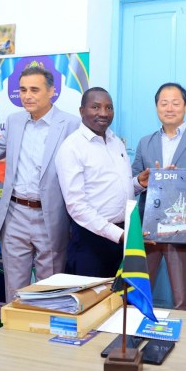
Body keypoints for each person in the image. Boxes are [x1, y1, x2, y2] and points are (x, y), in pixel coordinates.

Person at [0, 66, 80, 303]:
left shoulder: (71, 124)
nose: (27, 96)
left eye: (34, 90)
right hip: (15, 214)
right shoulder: (14, 121)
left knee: (49, 290)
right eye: (23, 90)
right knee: (15, 290)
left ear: (51, 91)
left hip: (51, 216)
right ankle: (15, 327)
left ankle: (44, 326)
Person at [132, 82, 186, 310]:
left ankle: (183, 332)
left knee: (182, 298)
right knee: (138, 293)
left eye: (175, 103)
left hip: (184, 228)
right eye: (163, 103)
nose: (169, 108)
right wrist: (145, 179)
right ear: (156, 107)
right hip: (148, 228)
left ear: (185, 106)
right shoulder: (144, 143)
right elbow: (133, 182)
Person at [55, 87, 149, 278]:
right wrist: (117, 234)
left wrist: (138, 183)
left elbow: (114, 188)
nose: (104, 113)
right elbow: (76, 206)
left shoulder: (116, 142)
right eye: (96, 107)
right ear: (82, 111)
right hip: (91, 240)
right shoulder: (71, 147)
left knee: (120, 294)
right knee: (92, 295)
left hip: (122, 236)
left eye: (109, 107)